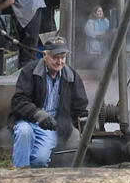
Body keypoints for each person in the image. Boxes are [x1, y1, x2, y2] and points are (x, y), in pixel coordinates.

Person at [8, 36, 88, 168]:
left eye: (63, 57)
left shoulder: (71, 76)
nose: (60, 62)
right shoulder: (30, 71)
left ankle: (34, 182)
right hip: (27, 121)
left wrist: (85, 126)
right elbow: (18, 101)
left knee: (40, 160)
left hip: (50, 127)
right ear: (45, 55)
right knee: (24, 132)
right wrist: (38, 114)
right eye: (55, 57)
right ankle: (20, 174)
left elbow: (80, 106)